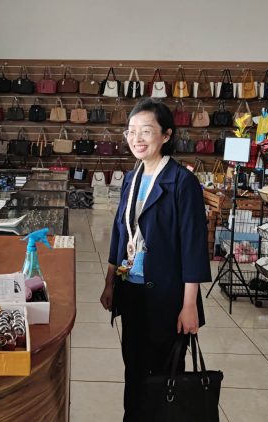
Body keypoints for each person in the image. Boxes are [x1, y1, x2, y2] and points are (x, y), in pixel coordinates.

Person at [99, 98, 211, 421]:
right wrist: (110, 283)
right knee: (134, 370)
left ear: (166, 135)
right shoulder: (131, 179)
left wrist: (189, 304)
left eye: (146, 131)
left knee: (165, 374)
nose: (137, 138)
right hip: (132, 294)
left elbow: (193, 247)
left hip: (169, 298)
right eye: (131, 131)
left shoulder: (182, 182)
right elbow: (120, 234)